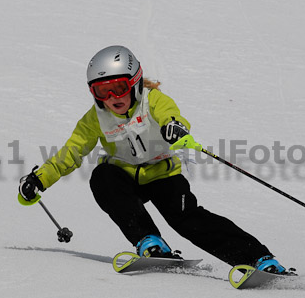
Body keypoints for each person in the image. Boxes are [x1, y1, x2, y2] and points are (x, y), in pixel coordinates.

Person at [18, 45, 288, 273]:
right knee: (102, 177)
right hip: (123, 178)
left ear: (135, 82)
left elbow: (171, 115)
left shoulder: (153, 100)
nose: (113, 98)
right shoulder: (94, 119)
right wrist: (40, 179)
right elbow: (72, 152)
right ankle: (150, 242)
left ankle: (258, 259)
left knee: (188, 221)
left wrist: (174, 127)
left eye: (119, 87)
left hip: (164, 176)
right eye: (102, 91)